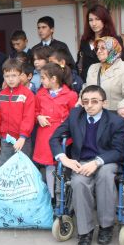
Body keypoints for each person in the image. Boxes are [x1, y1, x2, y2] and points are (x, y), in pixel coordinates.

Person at [50, 85, 124, 245]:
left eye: (94, 101)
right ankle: (85, 232)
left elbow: (119, 151)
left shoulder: (116, 121)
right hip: (82, 161)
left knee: (105, 176)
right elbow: (54, 138)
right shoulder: (75, 115)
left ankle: (106, 226)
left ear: (104, 103)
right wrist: (64, 159)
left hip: (106, 160)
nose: (90, 105)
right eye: (85, 102)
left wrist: (98, 161)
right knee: (78, 182)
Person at [33, 63, 78, 198]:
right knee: (49, 166)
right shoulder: (40, 94)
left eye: (43, 78)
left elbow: (75, 115)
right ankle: (53, 197)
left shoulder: (70, 95)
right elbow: (34, 111)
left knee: (63, 164)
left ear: (53, 79)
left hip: (63, 136)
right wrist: (38, 117)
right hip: (45, 134)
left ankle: (65, 195)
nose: (41, 81)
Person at [85, 36, 124, 120]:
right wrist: (80, 101)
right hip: (93, 116)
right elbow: (86, 89)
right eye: (97, 48)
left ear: (113, 50)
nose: (98, 51)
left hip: (115, 117)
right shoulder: (93, 68)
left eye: (103, 48)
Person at [0, 58, 36, 164]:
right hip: (5, 139)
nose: (10, 79)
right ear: (3, 76)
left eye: (14, 75)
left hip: (23, 140)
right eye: (7, 76)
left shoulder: (27, 94)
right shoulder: (1, 95)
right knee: (5, 167)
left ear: (20, 75)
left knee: (23, 169)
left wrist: (22, 137)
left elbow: (29, 117)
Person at [78, 4, 124, 82]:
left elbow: (122, 61)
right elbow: (80, 63)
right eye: (90, 20)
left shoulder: (114, 40)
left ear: (105, 20)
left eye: (97, 19)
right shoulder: (85, 40)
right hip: (89, 83)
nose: (94, 23)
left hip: (110, 82)